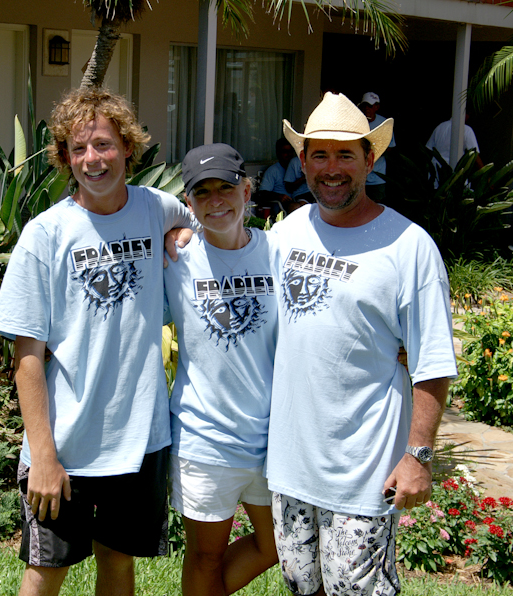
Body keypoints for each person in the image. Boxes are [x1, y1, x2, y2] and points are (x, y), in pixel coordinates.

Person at [0, 87, 194, 596]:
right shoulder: (45, 235)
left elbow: (192, 222)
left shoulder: (155, 208)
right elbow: (27, 358)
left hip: (139, 439)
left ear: (128, 147)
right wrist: (44, 457)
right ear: (65, 157)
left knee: (118, 562)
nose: (91, 159)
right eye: (78, 149)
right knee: (45, 571)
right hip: (66, 444)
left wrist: (180, 235)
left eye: (103, 144)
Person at [265, 91, 458, 596]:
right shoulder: (285, 235)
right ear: (303, 161)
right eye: (320, 155)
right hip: (290, 467)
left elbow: (433, 361)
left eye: (346, 154)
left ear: (370, 160)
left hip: (362, 472)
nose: (332, 169)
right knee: (302, 587)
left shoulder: (409, 246)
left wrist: (418, 455)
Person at [164, 143, 279, 596]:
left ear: (247, 190)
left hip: (274, 438)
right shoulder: (175, 261)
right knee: (205, 556)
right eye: (202, 192)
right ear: (188, 203)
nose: (216, 200)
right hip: (205, 438)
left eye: (226, 188)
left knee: (276, 546)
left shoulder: (279, 252)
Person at [358, 92, 395, 204]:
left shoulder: (384, 123)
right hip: (360, 176)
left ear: (376, 107)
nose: (366, 109)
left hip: (377, 176)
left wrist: (375, 151)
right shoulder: (357, 122)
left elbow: (391, 147)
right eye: (364, 105)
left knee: (377, 206)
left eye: (369, 106)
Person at [256, 138, 295, 216]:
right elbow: (262, 193)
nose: (288, 155)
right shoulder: (273, 171)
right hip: (282, 207)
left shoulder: (296, 168)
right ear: (278, 153)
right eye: (285, 152)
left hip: (298, 201)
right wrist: (279, 196)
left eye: (290, 152)